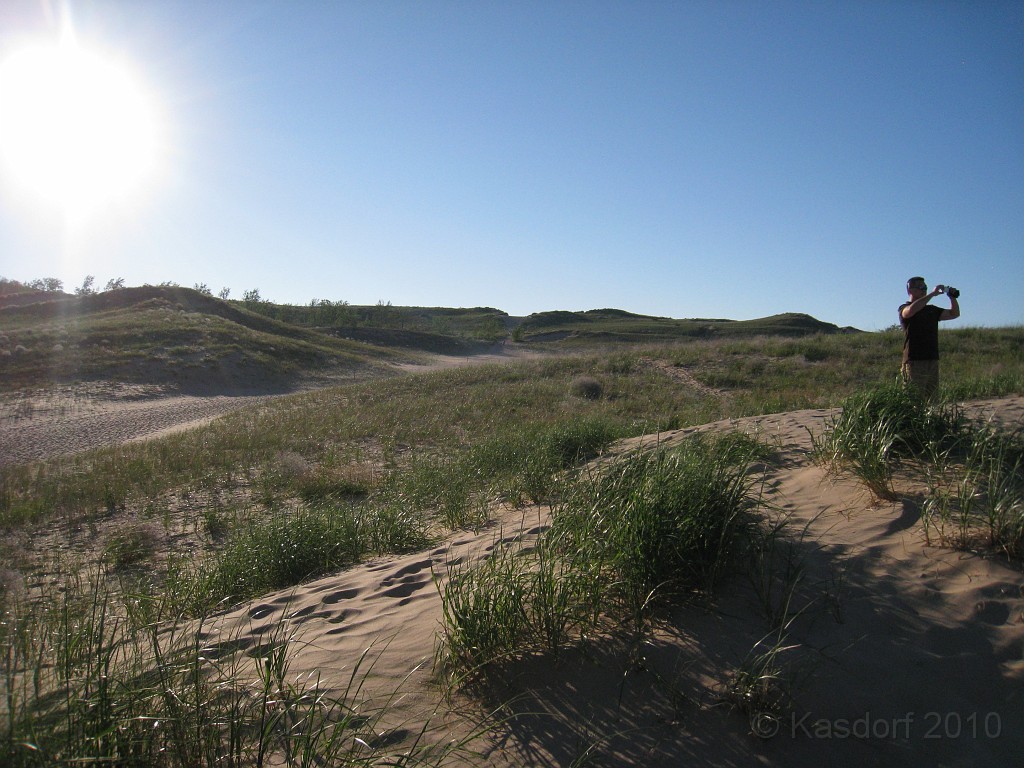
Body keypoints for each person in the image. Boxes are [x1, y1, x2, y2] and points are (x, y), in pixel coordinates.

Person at [898, 276, 960, 398]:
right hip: (914, 361)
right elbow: (910, 312)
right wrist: (932, 294)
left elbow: (954, 314)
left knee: (932, 398)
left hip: (932, 359)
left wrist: (952, 297)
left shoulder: (932, 310)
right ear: (910, 290)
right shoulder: (904, 308)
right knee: (913, 399)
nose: (924, 290)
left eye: (925, 287)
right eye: (921, 287)